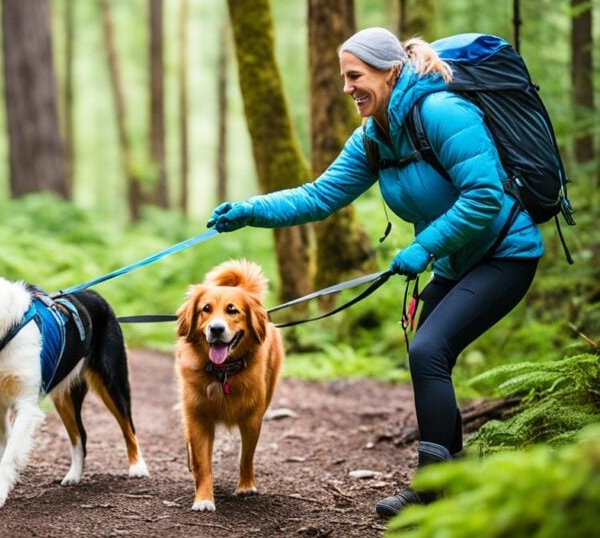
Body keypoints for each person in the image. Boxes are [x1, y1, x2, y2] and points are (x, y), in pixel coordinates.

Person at [206, 27, 543, 518]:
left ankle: (432, 491)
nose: (347, 88)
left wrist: (424, 246)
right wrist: (249, 211)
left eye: (355, 75)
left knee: (430, 349)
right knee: (428, 354)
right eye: (344, 77)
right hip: (456, 259)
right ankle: (457, 480)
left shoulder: (442, 114)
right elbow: (319, 196)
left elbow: (485, 195)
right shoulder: (374, 137)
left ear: (390, 72)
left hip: (505, 253)